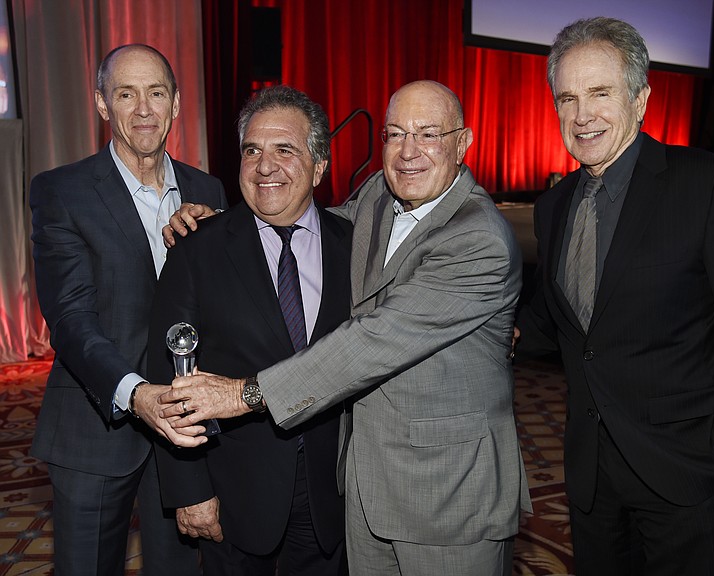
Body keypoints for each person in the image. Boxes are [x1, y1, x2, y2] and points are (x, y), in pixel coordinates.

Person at [159, 80, 531, 576]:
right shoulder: (379, 193)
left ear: (462, 144)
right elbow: (302, 222)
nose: (408, 152)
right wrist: (225, 226)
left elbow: (373, 340)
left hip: (448, 496)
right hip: (363, 493)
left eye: (428, 135)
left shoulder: (479, 238)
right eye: (395, 134)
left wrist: (244, 395)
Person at [514, 17, 714, 575]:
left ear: (640, 100)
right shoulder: (554, 205)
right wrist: (491, 329)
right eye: (567, 98)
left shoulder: (707, 185)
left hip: (689, 481)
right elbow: (565, 319)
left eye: (600, 93)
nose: (582, 114)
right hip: (592, 482)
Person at [29, 44, 227, 575]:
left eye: (156, 93)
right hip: (97, 427)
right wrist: (134, 394)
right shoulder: (62, 191)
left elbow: (229, 311)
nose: (143, 109)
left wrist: (218, 243)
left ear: (177, 103)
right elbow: (70, 320)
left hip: (186, 433)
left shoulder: (209, 191)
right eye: (126, 94)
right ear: (101, 105)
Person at [149, 85, 349, 575]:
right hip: (234, 493)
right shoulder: (197, 249)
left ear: (319, 166)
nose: (265, 166)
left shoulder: (356, 246)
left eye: (285, 150)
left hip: (336, 492)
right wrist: (191, 491)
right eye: (252, 150)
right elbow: (167, 379)